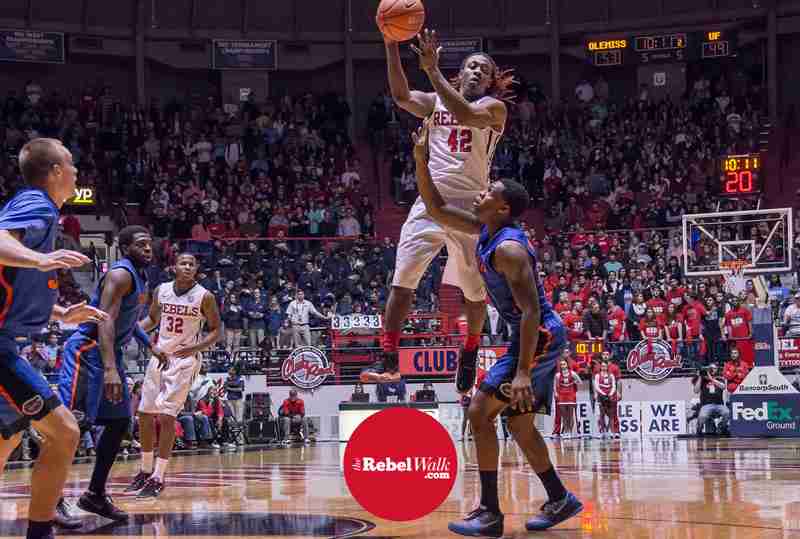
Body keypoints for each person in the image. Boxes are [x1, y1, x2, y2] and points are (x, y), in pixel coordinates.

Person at [410, 123, 582, 535]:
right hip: (530, 335)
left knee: (479, 412)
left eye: (489, 192)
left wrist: (522, 371)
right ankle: (560, 498)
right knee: (519, 425)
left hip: (539, 336)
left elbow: (531, 312)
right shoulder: (485, 229)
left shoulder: (508, 249)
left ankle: (489, 512)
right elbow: (435, 208)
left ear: (502, 208)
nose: (482, 192)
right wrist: (420, 160)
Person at [362, 27, 513, 391]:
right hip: (430, 200)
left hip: (472, 206)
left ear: (490, 82)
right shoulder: (434, 102)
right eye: (472, 66)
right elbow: (401, 96)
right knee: (402, 281)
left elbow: (466, 114)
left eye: (484, 70)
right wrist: (391, 45)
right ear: (460, 73)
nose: (477, 72)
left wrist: (431, 70)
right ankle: (388, 359)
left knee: (474, 294)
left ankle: (471, 349)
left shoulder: (494, 109)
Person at [0, 138, 108, 537]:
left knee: (7, 438)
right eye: (72, 164)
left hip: (9, 341)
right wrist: (42, 258)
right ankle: (40, 531)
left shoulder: (40, 212)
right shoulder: (37, 203)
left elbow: (15, 290)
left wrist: (62, 314)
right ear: (57, 171)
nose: (77, 171)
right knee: (64, 431)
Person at [57, 225, 153, 523]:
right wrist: (111, 369)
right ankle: (51, 500)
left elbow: (128, 320)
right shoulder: (119, 274)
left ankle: (95, 495)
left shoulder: (141, 276)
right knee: (71, 425)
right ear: (124, 248)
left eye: (149, 244)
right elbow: (106, 320)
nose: (148, 248)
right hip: (88, 351)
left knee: (118, 421)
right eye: (140, 244)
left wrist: (151, 345)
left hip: (110, 354)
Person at [126, 253, 222, 498]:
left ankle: (158, 477)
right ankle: (145, 470)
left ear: (196, 269)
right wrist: (129, 330)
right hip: (160, 355)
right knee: (144, 414)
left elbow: (215, 331)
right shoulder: (162, 290)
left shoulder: (205, 296)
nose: (187, 267)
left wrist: (196, 347)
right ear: (175, 267)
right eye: (183, 263)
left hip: (184, 360)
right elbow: (152, 319)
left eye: (191, 264)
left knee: (166, 417)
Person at [692, 363, 730, 435]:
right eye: (710, 368)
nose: (712, 370)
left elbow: (723, 387)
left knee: (727, 413)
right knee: (702, 416)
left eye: (714, 368)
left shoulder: (719, 378)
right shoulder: (703, 380)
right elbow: (696, 391)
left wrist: (711, 379)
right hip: (706, 405)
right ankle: (699, 429)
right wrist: (700, 377)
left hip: (719, 404)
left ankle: (721, 426)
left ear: (717, 369)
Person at [552, 359, 581, 439]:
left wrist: (574, 382)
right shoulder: (558, 375)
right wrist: (556, 393)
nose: (563, 366)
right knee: (564, 416)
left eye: (564, 364)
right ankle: (566, 432)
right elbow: (555, 385)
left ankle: (570, 432)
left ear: (567, 365)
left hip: (570, 395)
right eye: (561, 364)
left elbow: (580, 381)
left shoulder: (572, 373)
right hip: (562, 396)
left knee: (570, 415)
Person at [593, 361, 618, 439]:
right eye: (602, 366)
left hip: (609, 396)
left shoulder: (611, 375)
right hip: (601, 397)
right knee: (602, 415)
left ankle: (611, 432)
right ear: (600, 367)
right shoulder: (597, 376)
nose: (604, 367)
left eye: (605, 366)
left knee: (611, 415)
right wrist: (603, 394)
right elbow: (596, 386)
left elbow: (614, 386)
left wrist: (610, 394)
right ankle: (602, 432)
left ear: (607, 367)